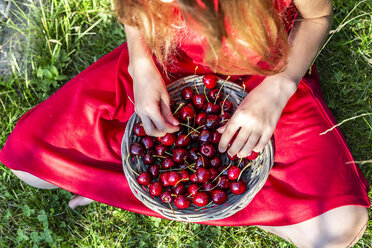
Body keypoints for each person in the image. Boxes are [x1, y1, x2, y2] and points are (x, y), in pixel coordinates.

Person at [0, 0, 369, 247]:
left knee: (339, 230)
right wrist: (140, 66)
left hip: (261, 77)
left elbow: (317, 17)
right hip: (166, 66)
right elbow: (133, 13)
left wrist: (279, 88)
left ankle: (134, 191)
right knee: (28, 166)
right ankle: (233, 203)